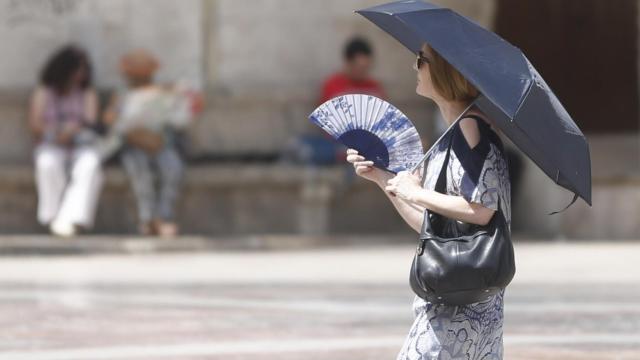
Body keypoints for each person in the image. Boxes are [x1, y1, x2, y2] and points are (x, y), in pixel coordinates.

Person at [346, 42, 511, 359]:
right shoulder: (455, 131)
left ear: (446, 70)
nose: (415, 66)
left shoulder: (470, 127)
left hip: (457, 314)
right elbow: (431, 226)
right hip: (462, 300)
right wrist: (383, 178)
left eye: (422, 60)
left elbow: (481, 210)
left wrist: (416, 191)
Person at [103, 49, 201, 237]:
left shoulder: (163, 92)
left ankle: (165, 217)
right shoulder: (122, 95)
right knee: (140, 174)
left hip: (159, 143)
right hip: (133, 145)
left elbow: (178, 119)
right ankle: (147, 219)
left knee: (172, 168)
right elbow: (110, 120)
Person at [28, 45, 103, 237]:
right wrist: (56, 133)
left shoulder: (87, 93)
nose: (80, 74)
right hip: (50, 143)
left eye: (84, 70)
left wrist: (72, 131)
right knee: (47, 163)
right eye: (78, 69)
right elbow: (35, 125)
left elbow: (90, 122)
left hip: (80, 144)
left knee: (90, 165)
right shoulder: (44, 91)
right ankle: (54, 217)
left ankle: (71, 217)